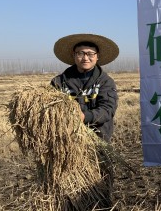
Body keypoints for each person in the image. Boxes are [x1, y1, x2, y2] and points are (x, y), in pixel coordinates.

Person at [51, 33, 119, 208]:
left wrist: (84, 117)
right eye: (81, 53)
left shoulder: (105, 82)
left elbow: (107, 110)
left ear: (97, 57)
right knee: (67, 191)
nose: (85, 57)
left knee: (98, 187)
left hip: (97, 142)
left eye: (90, 53)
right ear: (74, 55)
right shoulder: (60, 82)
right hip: (66, 144)